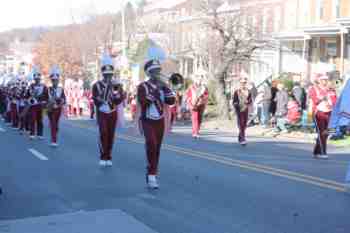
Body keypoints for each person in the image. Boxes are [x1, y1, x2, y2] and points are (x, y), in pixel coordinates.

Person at [137, 59, 176, 189]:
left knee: (157, 148)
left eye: (158, 71)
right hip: (147, 121)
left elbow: (171, 101)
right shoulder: (143, 87)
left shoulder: (163, 86)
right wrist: (156, 90)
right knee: (151, 145)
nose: (157, 74)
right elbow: (144, 102)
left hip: (160, 121)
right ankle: (151, 174)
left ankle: (153, 173)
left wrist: (168, 89)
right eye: (154, 71)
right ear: (149, 73)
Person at [92, 54, 125, 167]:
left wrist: (117, 92)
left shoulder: (117, 84)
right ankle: (103, 156)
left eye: (110, 74)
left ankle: (109, 156)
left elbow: (120, 99)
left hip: (112, 112)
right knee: (103, 133)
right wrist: (105, 92)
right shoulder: (97, 85)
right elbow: (96, 100)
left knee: (111, 135)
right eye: (106, 75)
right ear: (103, 74)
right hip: (102, 111)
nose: (108, 77)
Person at [309, 74, 337, 159]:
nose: (325, 81)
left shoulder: (331, 90)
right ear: (319, 81)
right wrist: (323, 97)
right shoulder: (314, 89)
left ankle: (316, 151)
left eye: (326, 80)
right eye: (323, 80)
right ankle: (322, 152)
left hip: (329, 113)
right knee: (322, 133)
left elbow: (335, 101)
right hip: (319, 113)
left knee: (329, 132)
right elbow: (315, 100)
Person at [47, 66, 66, 147]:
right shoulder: (48, 89)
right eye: (53, 80)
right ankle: (54, 140)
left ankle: (53, 134)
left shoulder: (61, 89)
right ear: (51, 81)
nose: (55, 82)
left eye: (56, 80)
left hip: (58, 108)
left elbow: (64, 99)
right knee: (53, 123)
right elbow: (45, 99)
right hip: (50, 109)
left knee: (56, 125)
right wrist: (49, 101)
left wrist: (61, 100)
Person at [186, 69, 209, 138]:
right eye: (198, 78)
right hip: (193, 105)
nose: (199, 80)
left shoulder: (204, 87)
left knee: (199, 118)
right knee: (194, 118)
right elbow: (188, 95)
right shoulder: (191, 87)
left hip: (201, 104)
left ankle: (196, 131)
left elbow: (207, 95)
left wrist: (203, 99)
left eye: (200, 78)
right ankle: (195, 132)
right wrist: (190, 103)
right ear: (195, 79)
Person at [26, 67, 48, 140]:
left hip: (41, 106)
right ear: (34, 79)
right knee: (32, 119)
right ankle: (32, 133)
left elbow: (46, 96)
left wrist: (44, 102)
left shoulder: (44, 87)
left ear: (40, 79)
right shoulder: (31, 86)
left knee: (40, 120)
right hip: (33, 106)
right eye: (36, 79)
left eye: (38, 79)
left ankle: (40, 134)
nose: (37, 80)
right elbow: (27, 95)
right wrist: (29, 99)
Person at [232, 76, 252, 145]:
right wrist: (237, 104)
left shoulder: (248, 91)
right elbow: (234, 101)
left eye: (244, 83)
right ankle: (243, 138)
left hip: (245, 109)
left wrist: (247, 102)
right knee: (240, 124)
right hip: (239, 109)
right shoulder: (237, 91)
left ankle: (240, 136)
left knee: (244, 124)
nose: (243, 84)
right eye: (242, 83)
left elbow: (250, 100)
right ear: (240, 83)